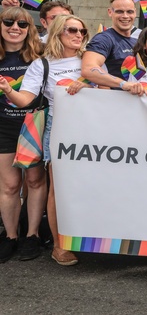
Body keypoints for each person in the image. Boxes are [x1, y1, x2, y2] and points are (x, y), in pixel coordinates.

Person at [0, 14, 91, 265]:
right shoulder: (42, 65)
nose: (78, 35)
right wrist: (8, 90)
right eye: (72, 30)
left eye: (82, 31)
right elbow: (25, 99)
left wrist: (87, 86)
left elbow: (106, 89)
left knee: (88, 185)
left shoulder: (89, 59)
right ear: (58, 32)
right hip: (59, 129)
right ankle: (59, 246)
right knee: (58, 188)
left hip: (91, 129)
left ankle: (92, 238)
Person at [0, 7, 44, 262]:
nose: (15, 28)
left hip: (33, 125)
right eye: (8, 22)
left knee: (35, 181)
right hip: (4, 126)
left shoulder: (40, 55)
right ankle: (10, 236)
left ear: (29, 29)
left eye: (22, 24)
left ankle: (32, 235)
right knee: (9, 185)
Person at [81, 0, 145, 96]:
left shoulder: (136, 41)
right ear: (110, 12)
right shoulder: (104, 39)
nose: (125, 16)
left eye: (129, 11)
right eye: (119, 11)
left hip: (138, 101)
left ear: (135, 13)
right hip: (114, 102)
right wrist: (123, 84)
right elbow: (88, 69)